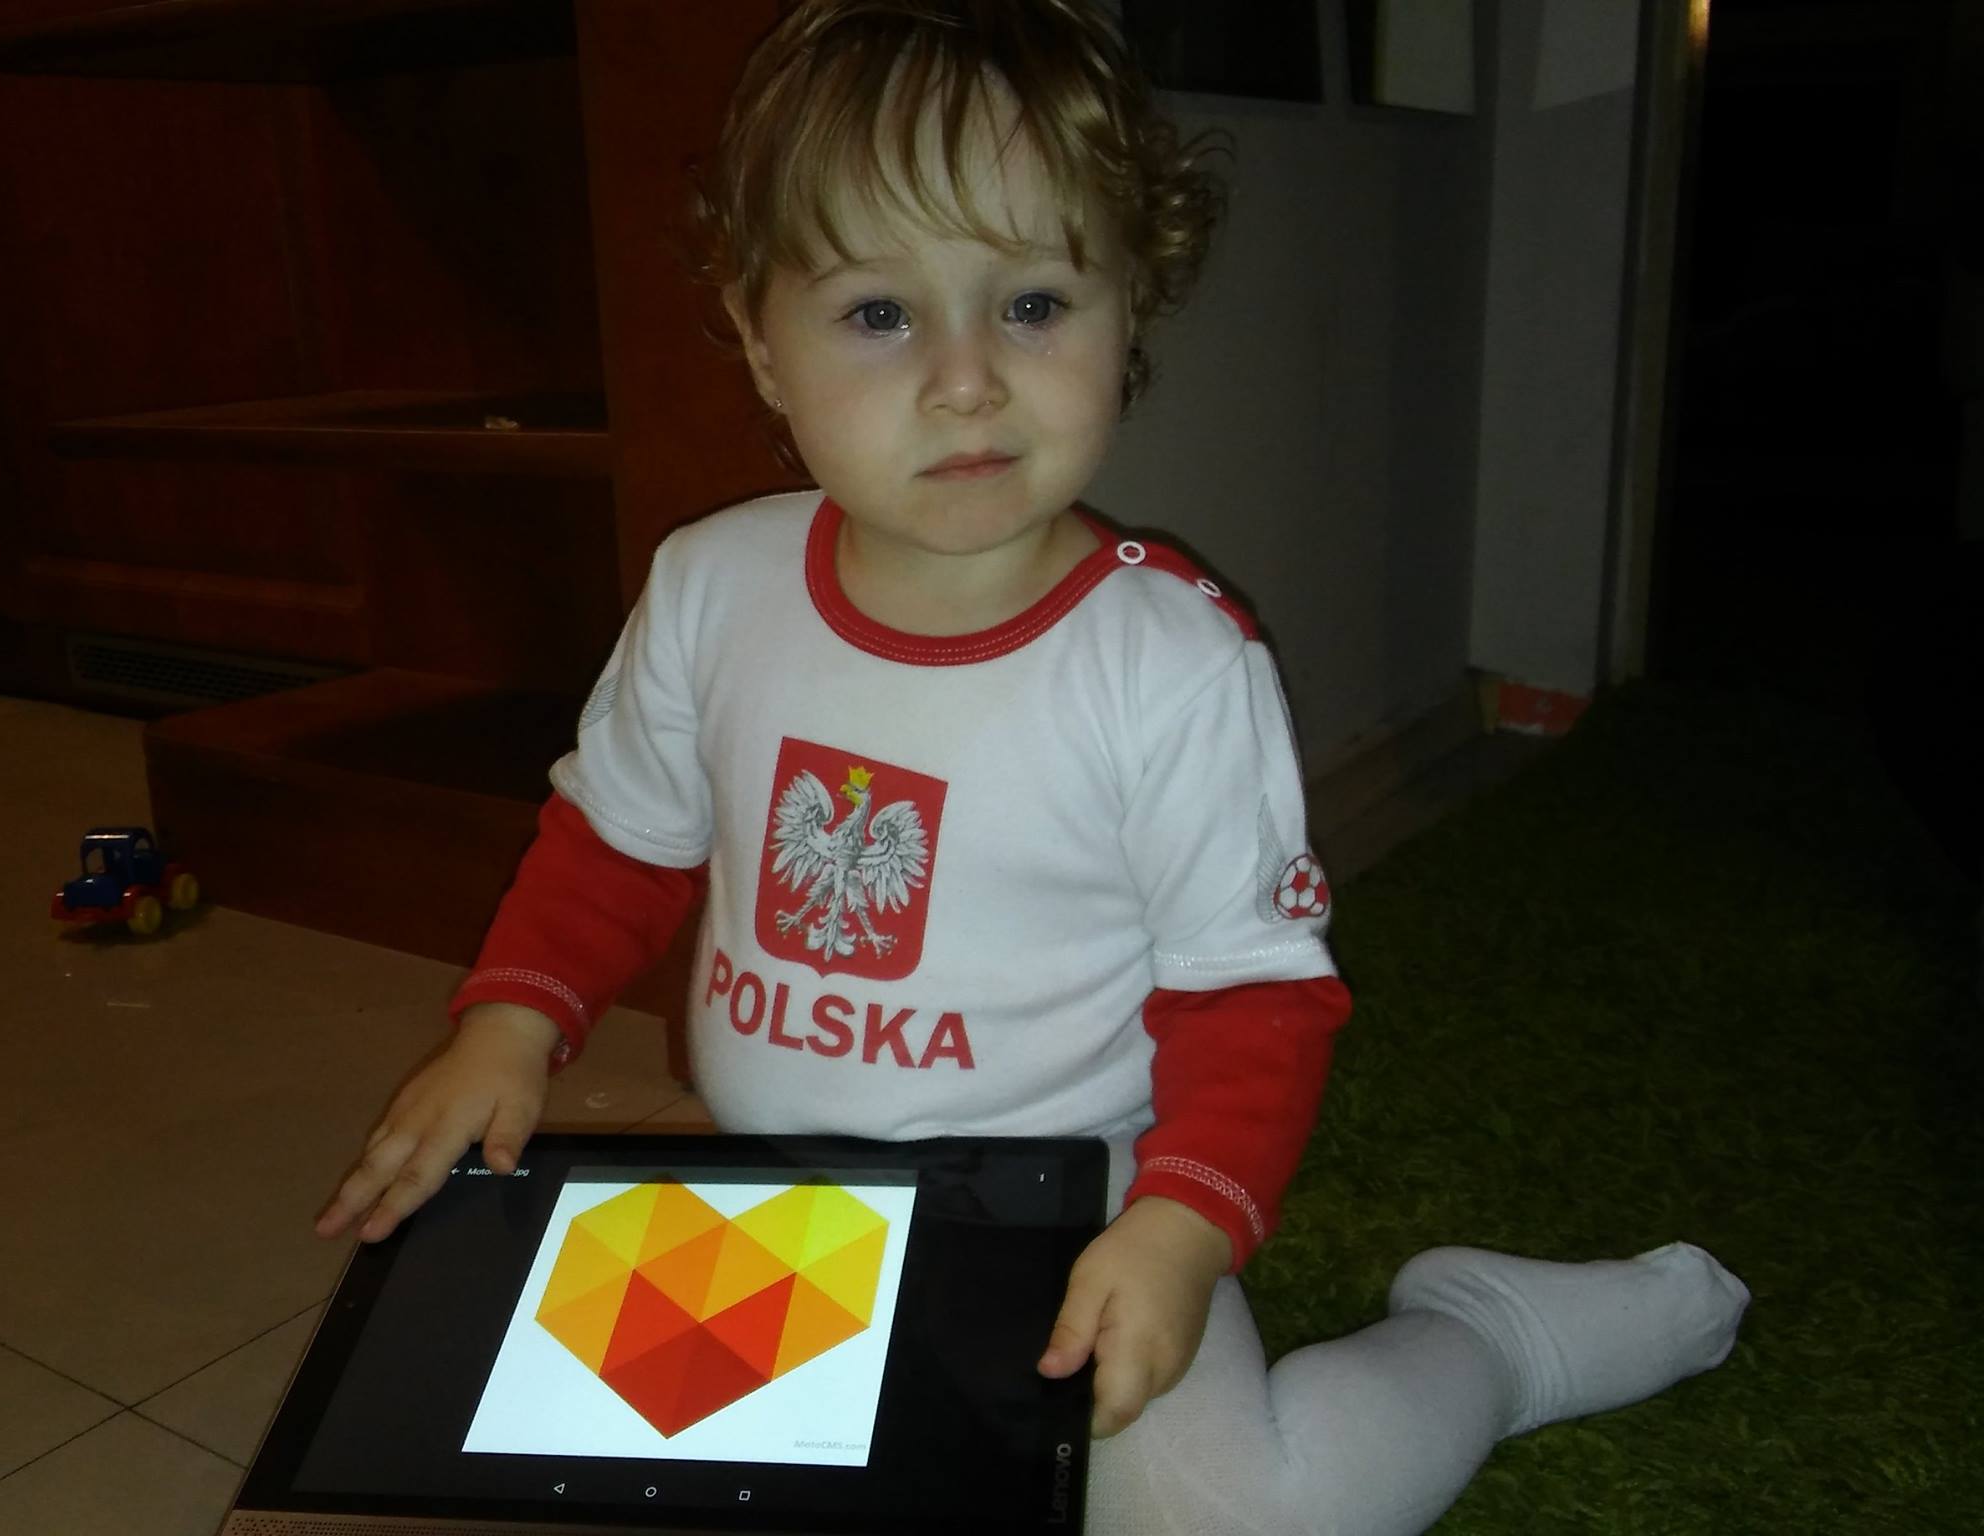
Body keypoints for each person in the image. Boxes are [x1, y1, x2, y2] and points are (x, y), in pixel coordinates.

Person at [317, 3, 1749, 1531]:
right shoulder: (712, 586)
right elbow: (621, 839)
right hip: (784, 1190)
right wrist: (511, 1026)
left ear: (1131, 308)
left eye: (1034, 303)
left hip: (1076, 1200)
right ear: (759, 337)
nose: (966, 381)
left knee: (1256, 1521)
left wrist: (1182, 1227)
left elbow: (1253, 999)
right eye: (881, 312)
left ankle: (1488, 1341)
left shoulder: (1172, 669)